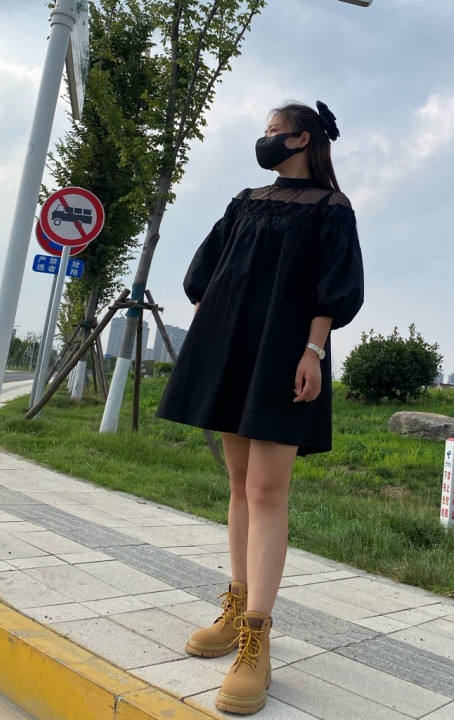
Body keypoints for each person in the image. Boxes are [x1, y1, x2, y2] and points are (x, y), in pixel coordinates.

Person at [156, 100, 364, 715]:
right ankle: (236, 605)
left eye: (275, 131)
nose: (265, 139)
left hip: (285, 355)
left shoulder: (332, 208)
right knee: (240, 482)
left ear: (303, 139)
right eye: (265, 131)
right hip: (233, 350)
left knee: (268, 490)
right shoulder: (245, 200)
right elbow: (208, 270)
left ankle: (256, 638)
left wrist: (313, 352)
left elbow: (333, 288)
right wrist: (211, 330)